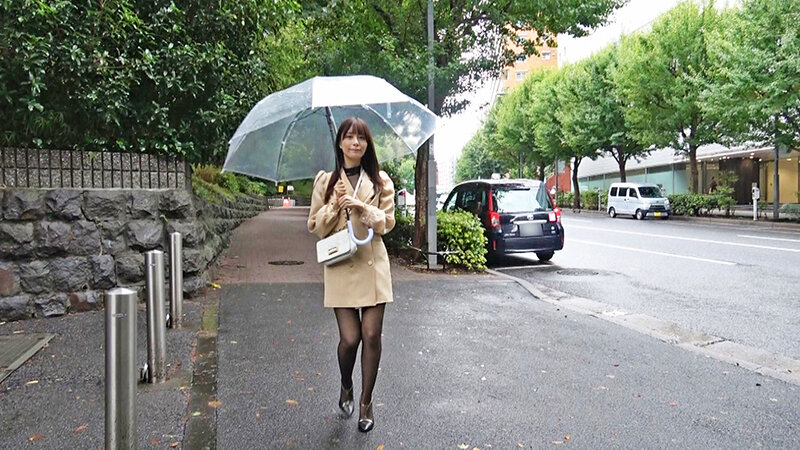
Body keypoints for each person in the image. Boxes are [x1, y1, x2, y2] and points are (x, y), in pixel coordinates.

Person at [307, 117, 395, 433]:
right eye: (349, 137)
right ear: (340, 142)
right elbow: (315, 226)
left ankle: (366, 402)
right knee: (349, 339)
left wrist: (360, 206)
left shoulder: (380, 180)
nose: (355, 142)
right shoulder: (326, 181)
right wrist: (334, 204)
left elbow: (387, 223)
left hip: (373, 264)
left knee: (371, 335)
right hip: (341, 265)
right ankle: (346, 383)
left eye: (361, 138)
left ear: (367, 144)